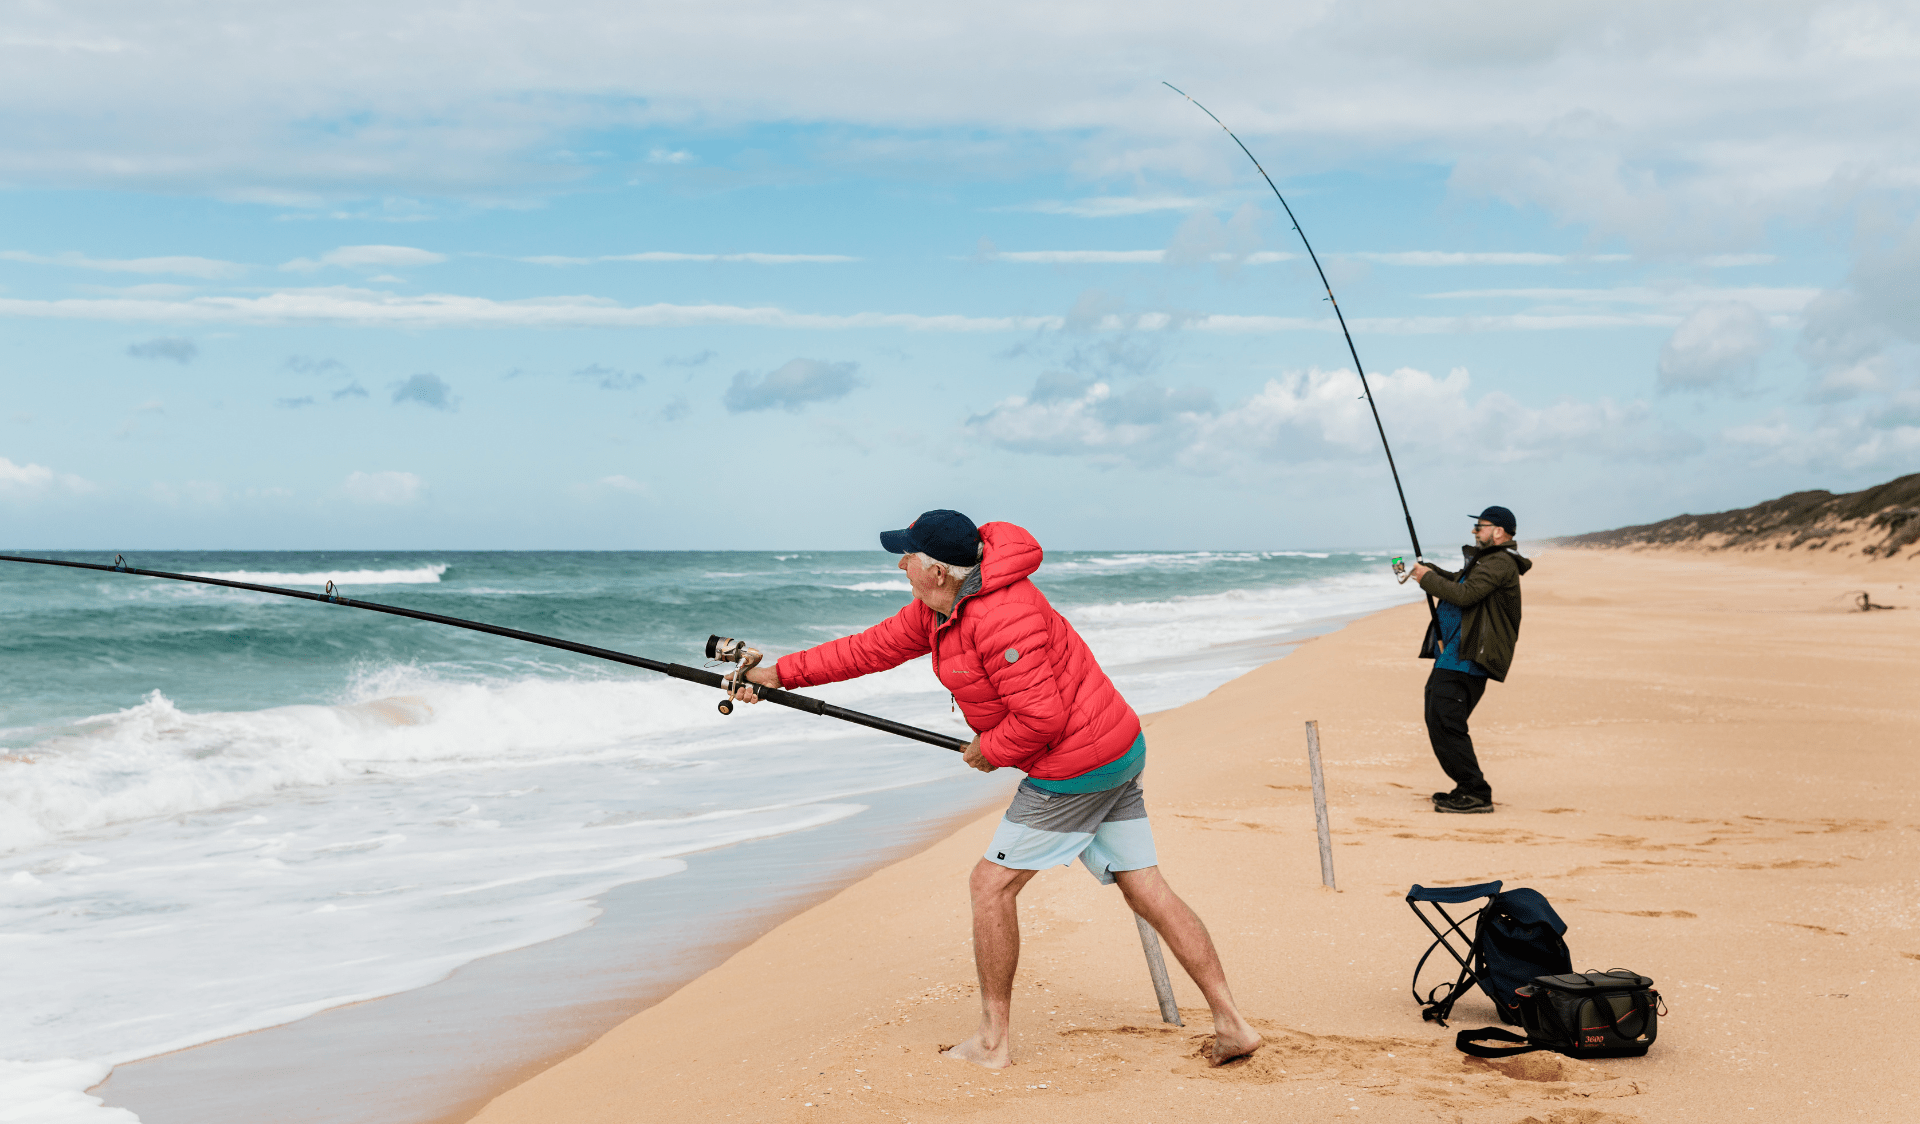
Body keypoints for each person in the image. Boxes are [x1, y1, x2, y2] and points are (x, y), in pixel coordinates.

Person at [729, 509, 1261, 1069]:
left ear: (936, 571)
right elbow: (870, 648)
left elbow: (1042, 718)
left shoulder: (1002, 617)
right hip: (1114, 746)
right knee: (1145, 885)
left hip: (1077, 764)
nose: (901, 564)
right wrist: (779, 674)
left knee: (991, 887)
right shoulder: (942, 607)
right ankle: (1233, 1024)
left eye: (908, 556)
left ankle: (992, 1042)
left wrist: (992, 749)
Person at [1409, 505, 1531, 814]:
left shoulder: (1500, 562)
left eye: (1480, 526)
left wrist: (1427, 579)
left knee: (1446, 720)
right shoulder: (1488, 560)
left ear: (1498, 531)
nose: (1475, 531)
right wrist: (1428, 571)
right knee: (1440, 718)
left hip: (1469, 656)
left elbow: (1465, 596)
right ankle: (1467, 787)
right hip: (1456, 654)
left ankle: (1476, 792)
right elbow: (1460, 583)